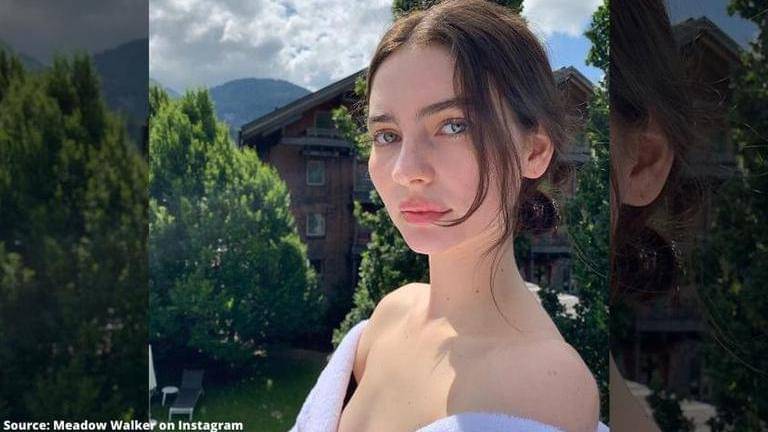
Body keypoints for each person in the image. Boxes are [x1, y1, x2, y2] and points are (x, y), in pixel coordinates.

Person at [290, 1, 608, 431]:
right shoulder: (388, 317)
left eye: (454, 125)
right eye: (386, 135)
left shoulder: (547, 386)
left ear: (533, 151)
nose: (405, 170)